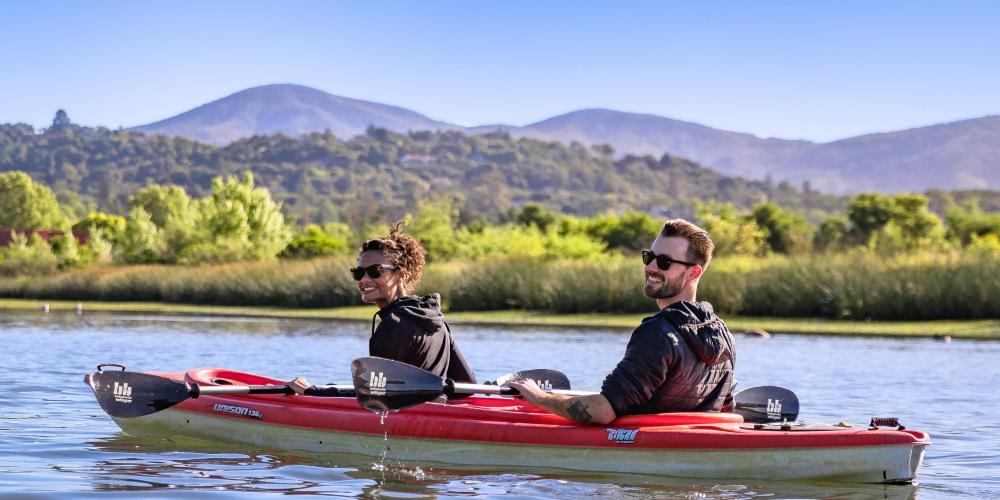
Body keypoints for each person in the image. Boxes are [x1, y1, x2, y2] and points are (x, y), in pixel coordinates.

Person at [509, 218, 735, 425]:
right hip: (688, 447)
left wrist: (538, 397)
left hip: (647, 449)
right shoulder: (722, 333)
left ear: (694, 273)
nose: (651, 267)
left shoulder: (657, 333)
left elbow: (601, 411)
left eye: (665, 262)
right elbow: (726, 411)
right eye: (649, 257)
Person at [288, 222, 476, 394]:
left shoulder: (393, 325)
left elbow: (375, 397)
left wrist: (311, 392)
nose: (364, 280)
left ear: (400, 274)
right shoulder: (436, 321)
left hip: (403, 424)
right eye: (358, 272)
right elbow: (468, 385)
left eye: (375, 271)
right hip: (431, 418)